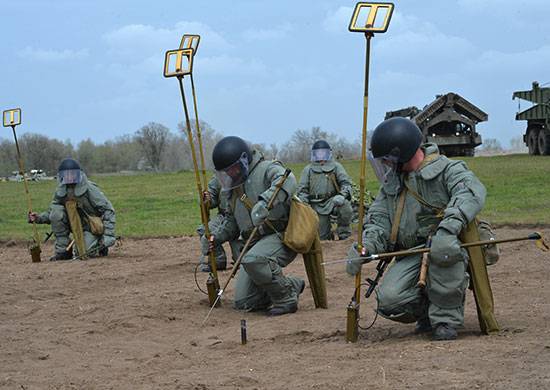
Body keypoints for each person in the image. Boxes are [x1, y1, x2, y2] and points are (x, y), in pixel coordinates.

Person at [346, 117, 486, 341]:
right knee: (390, 300)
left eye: (388, 159)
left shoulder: (448, 169)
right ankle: (427, 312)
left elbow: (470, 193)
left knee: (443, 251)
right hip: (412, 252)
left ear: (401, 153)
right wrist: (367, 246)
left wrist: (448, 229)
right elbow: (379, 220)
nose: (386, 165)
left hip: (448, 244)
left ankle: (445, 319)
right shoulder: (392, 183)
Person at [206, 136, 305, 315]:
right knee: (244, 301)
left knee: (253, 260)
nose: (230, 175)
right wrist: (217, 237)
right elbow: (231, 221)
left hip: (280, 234)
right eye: (225, 172)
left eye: (233, 169)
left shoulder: (266, 168)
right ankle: (291, 285)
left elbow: (288, 180)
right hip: (254, 243)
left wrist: (265, 202)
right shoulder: (232, 188)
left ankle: (286, 298)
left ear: (244, 160)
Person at [28, 158, 116, 260]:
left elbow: (108, 210)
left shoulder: (90, 189)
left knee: (82, 254)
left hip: (91, 227)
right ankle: (63, 252)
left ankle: (100, 243)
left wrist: (108, 235)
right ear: (62, 176)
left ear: (78, 174)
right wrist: (38, 218)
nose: (70, 177)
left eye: (72, 174)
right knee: (57, 213)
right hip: (72, 224)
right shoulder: (60, 191)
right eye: (67, 174)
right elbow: (52, 213)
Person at [297, 140, 353, 240]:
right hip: (315, 205)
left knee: (345, 206)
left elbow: (346, 183)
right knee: (322, 238)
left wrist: (342, 195)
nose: (321, 155)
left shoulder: (336, 167)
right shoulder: (308, 169)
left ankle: (344, 235)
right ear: (314, 154)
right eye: (318, 153)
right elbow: (302, 190)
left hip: (333, 201)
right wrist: (304, 204)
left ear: (328, 153)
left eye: (323, 152)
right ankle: (328, 235)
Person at [198, 175, 243, 272]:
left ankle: (240, 258)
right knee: (205, 230)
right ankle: (218, 261)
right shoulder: (219, 177)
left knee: (244, 264)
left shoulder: (245, 173)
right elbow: (211, 196)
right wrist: (207, 199)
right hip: (223, 215)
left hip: (242, 216)